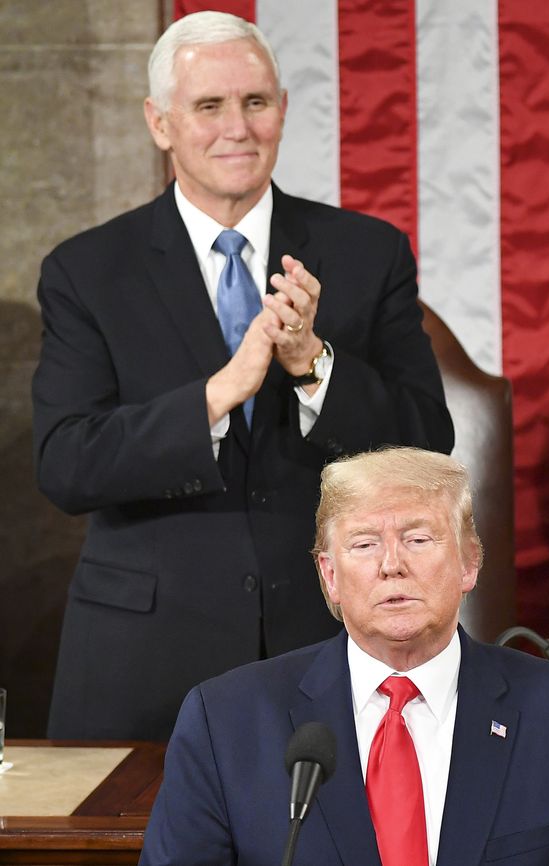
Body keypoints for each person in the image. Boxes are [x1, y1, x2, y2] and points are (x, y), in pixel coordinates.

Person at [32, 11, 453, 741]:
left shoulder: (366, 252)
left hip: (321, 650)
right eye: (208, 106)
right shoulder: (87, 270)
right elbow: (67, 462)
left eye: (255, 103)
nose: (238, 127)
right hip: (145, 660)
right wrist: (217, 396)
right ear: (159, 123)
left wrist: (312, 365)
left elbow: (425, 443)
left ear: (283, 111)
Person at [140, 447, 549, 866]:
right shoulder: (225, 721)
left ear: (469, 564)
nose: (392, 565)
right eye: (364, 545)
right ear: (329, 575)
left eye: (418, 537)